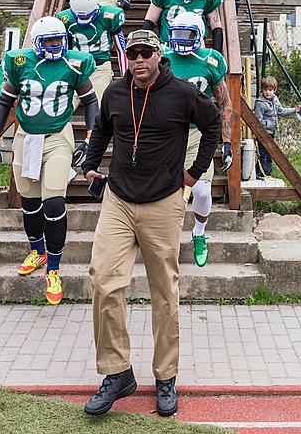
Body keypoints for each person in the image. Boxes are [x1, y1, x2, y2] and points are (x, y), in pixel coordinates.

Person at [82, 29, 221, 417]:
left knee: (165, 292)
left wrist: (192, 174)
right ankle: (117, 373)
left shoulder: (182, 93)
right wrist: (91, 165)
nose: (140, 59)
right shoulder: (114, 92)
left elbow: (213, 125)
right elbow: (104, 130)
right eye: (134, 53)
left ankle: (165, 377)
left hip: (163, 201)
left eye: (146, 52)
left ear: (159, 55)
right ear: (127, 56)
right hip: (118, 200)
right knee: (103, 281)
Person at [0, 16, 97, 305]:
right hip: (26, 137)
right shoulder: (20, 62)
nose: (54, 46)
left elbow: (90, 100)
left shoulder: (75, 62)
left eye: (58, 40)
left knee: (54, 202)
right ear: (36, 42)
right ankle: (38, 250)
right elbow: (4, 102)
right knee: (29, 201)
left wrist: (90, 136)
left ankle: (54, 269)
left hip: (59, 136)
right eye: (48, 41)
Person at [163, 11, 233, 266]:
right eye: (177, 34)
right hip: (166, 133)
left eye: (187, 34)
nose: (181, 40)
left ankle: (199, 233)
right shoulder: (162, 59)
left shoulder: (211, 60)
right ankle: (161, 240)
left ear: (200, 35)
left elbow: (224, 103)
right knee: (163, 192)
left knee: (202, 192)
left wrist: (227, 142)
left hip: (198, 132)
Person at [57, 0, 127, 158]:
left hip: (99, 68)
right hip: (73, 70)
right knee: (59, 111)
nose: (83, 20)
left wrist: (126, 77)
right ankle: (63, 153)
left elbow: (121, 50)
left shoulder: (109, 16)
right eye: (78, 16)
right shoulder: (64, 19)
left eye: (87, 15)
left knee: (96, 105)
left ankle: (89, 144)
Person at [254, 75, 301, 179]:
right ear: (262, 89)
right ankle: (265, 174)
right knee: (265, 153)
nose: (267, 92)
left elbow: (281, 111)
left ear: (274, 90)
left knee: (268, 152)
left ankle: (262, 173)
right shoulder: (260, 103)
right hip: (263, 133)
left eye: (270, 90)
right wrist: (271, 123)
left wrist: (294, 110)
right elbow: (258, 122)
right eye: (265, 89)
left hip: (271, 132)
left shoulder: (275, 99)